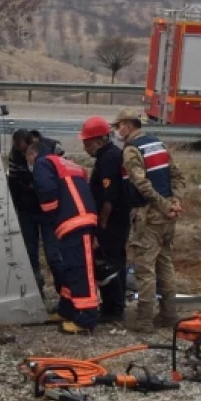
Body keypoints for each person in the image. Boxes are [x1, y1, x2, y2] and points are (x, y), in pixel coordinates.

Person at [113, 108, 186, 333]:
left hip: (149, 215)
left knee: (145, 269)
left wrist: (164, 206)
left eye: (118, 126)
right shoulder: (158, 144)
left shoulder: (131, 150)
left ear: (127, 125)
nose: (117, 131)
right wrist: (175, 202)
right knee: (165, 264)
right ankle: (169, 314)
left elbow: (140, 184)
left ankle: (145, 320)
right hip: (167, 217)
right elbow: (176, 175)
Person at [26, 142, 100, 334]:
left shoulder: (43, 163)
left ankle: (87, 318)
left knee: (82, 269)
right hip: (78, 218)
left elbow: (47, 192)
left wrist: (49, 216)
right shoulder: (68, 164)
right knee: (71, 268)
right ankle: (67, 310)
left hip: (75, 220)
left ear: (32, 154)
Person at [7, 129, 65, 317]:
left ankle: (65, 296)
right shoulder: (15, 155)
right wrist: (14, 210)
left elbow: (62, 179)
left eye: (26, 152)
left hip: (49, 212)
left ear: (33, 143)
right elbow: (13, 184)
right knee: (30, 255)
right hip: (27, 212)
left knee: (54, 255)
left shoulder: (52, 148)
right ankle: (36, 296)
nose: (24, 156)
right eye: (21, 152)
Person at [80, 116, 129, 324]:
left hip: (112, 221)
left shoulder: (108, 159)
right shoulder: (108, 155)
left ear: (99, 140)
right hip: (117, 220)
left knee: (108, 264)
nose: (85, 149)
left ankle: (113, 309)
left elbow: (109, 197)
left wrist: (102, 223)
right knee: (115, 261)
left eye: (87, 144)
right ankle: (114, 305)